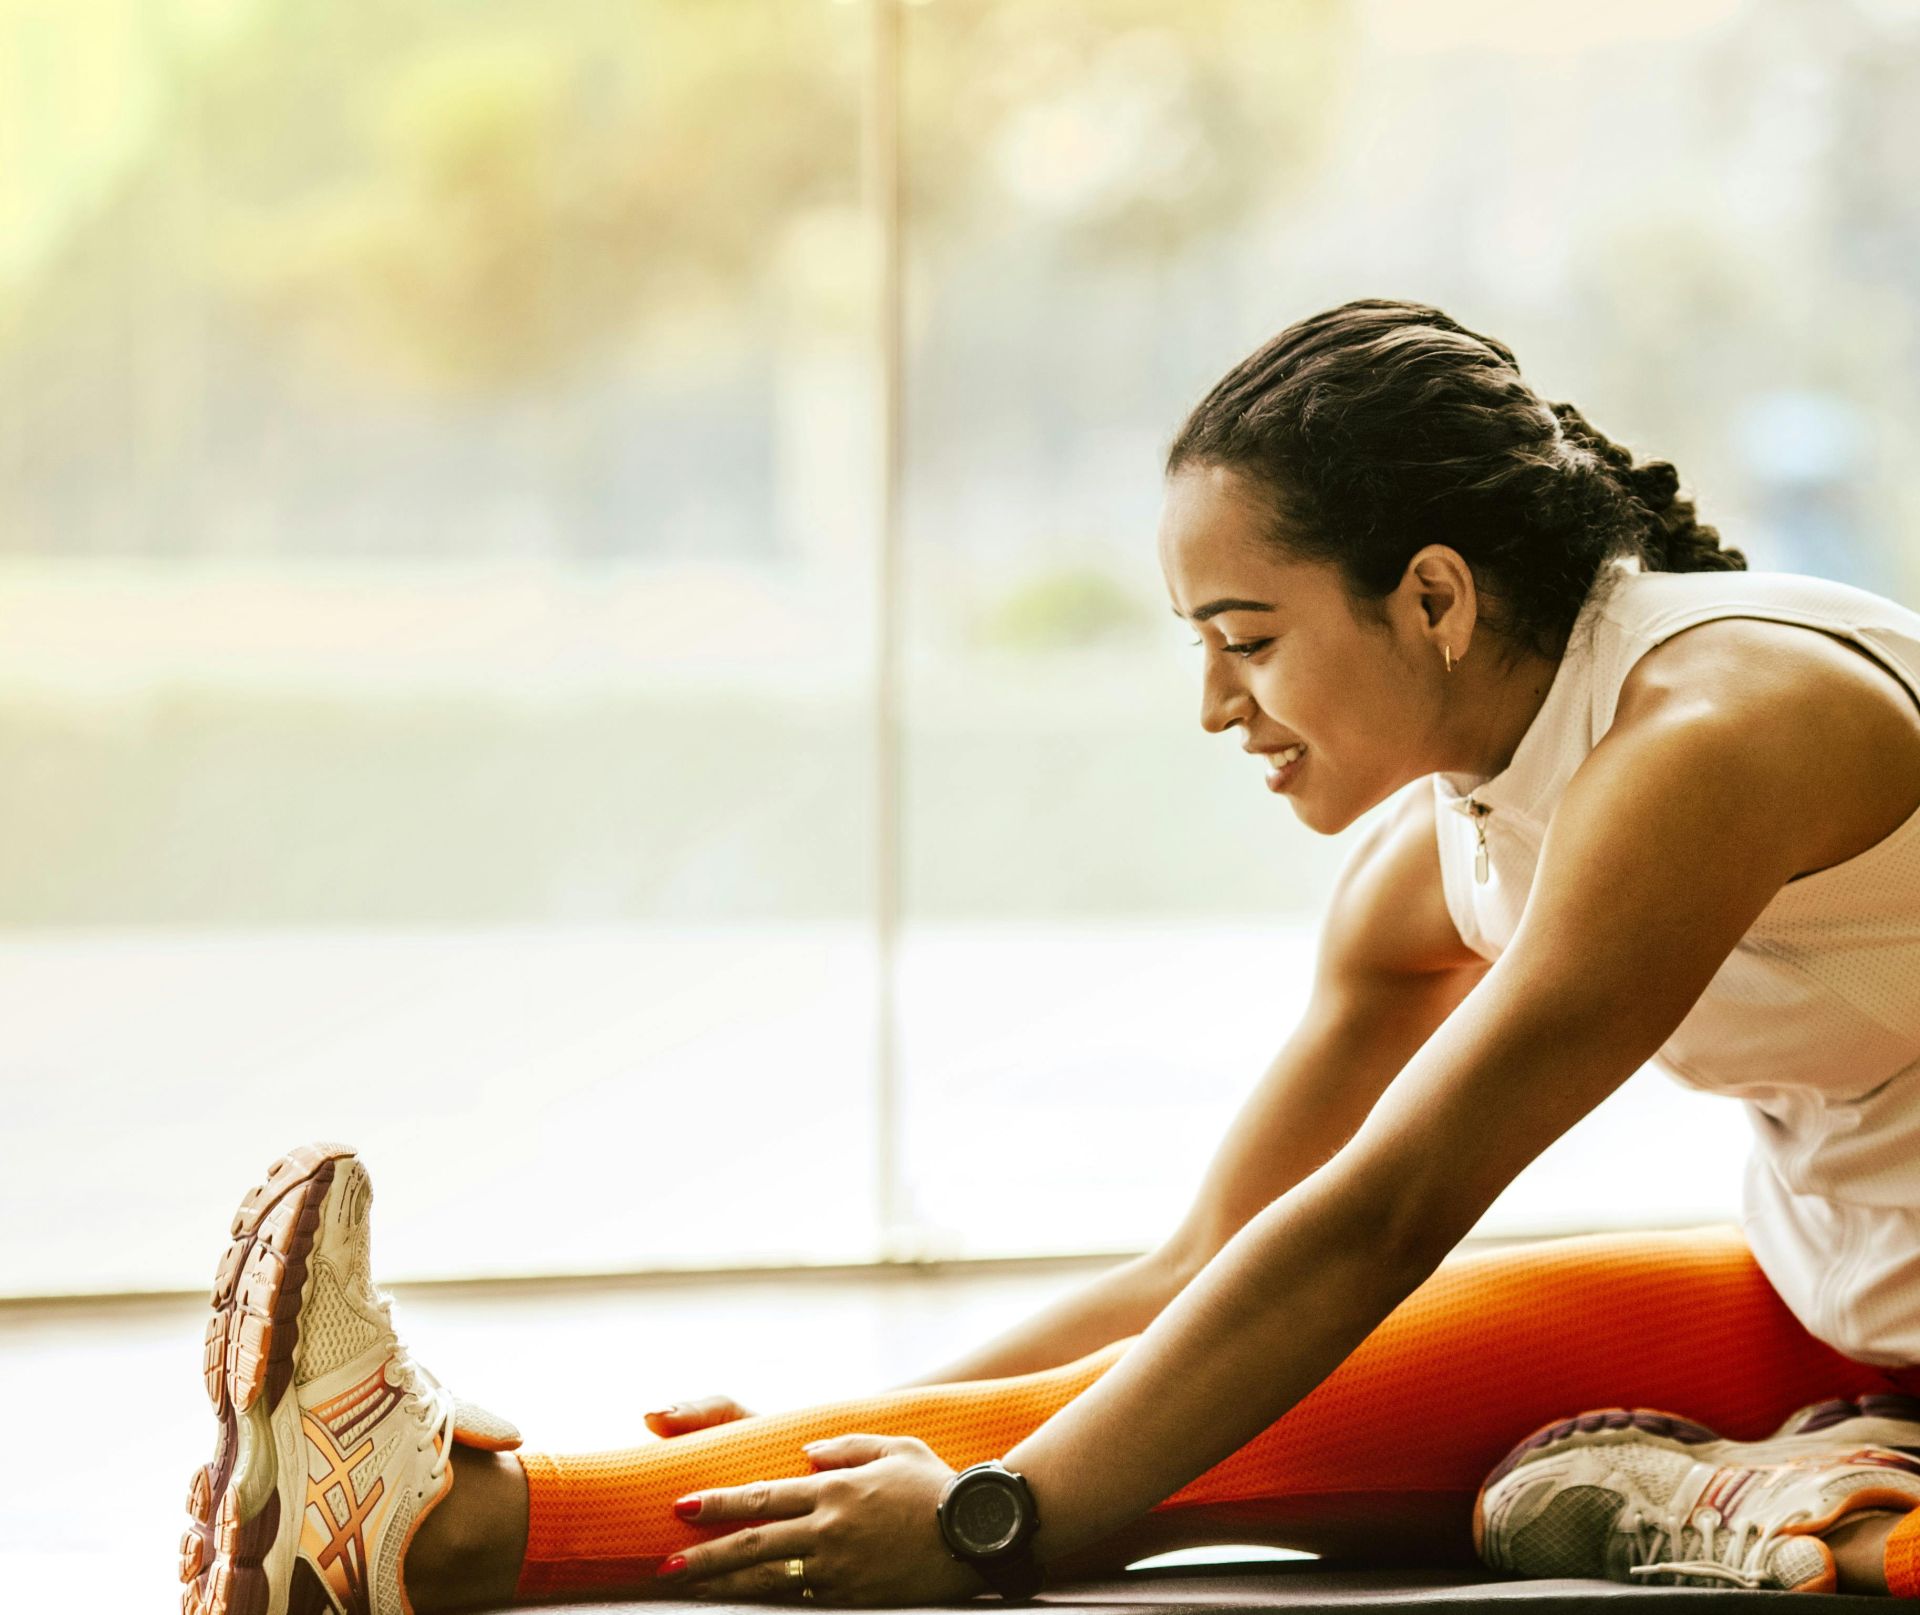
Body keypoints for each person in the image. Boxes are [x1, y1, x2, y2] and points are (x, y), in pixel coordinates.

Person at [180, 299, 1920, 1615]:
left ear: (1439, 600)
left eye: (1250, 638)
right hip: (1835, 1299)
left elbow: (1385, 1215)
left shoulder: (1710, 737)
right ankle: (383, 1517)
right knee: (1163, 1396)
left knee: (1160, 1439)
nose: (1217, 704)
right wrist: (840, 1426)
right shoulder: (1442, 849)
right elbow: (1206, 1265)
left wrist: (987, 1521)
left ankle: (443, 1538)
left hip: (1863, 1324)